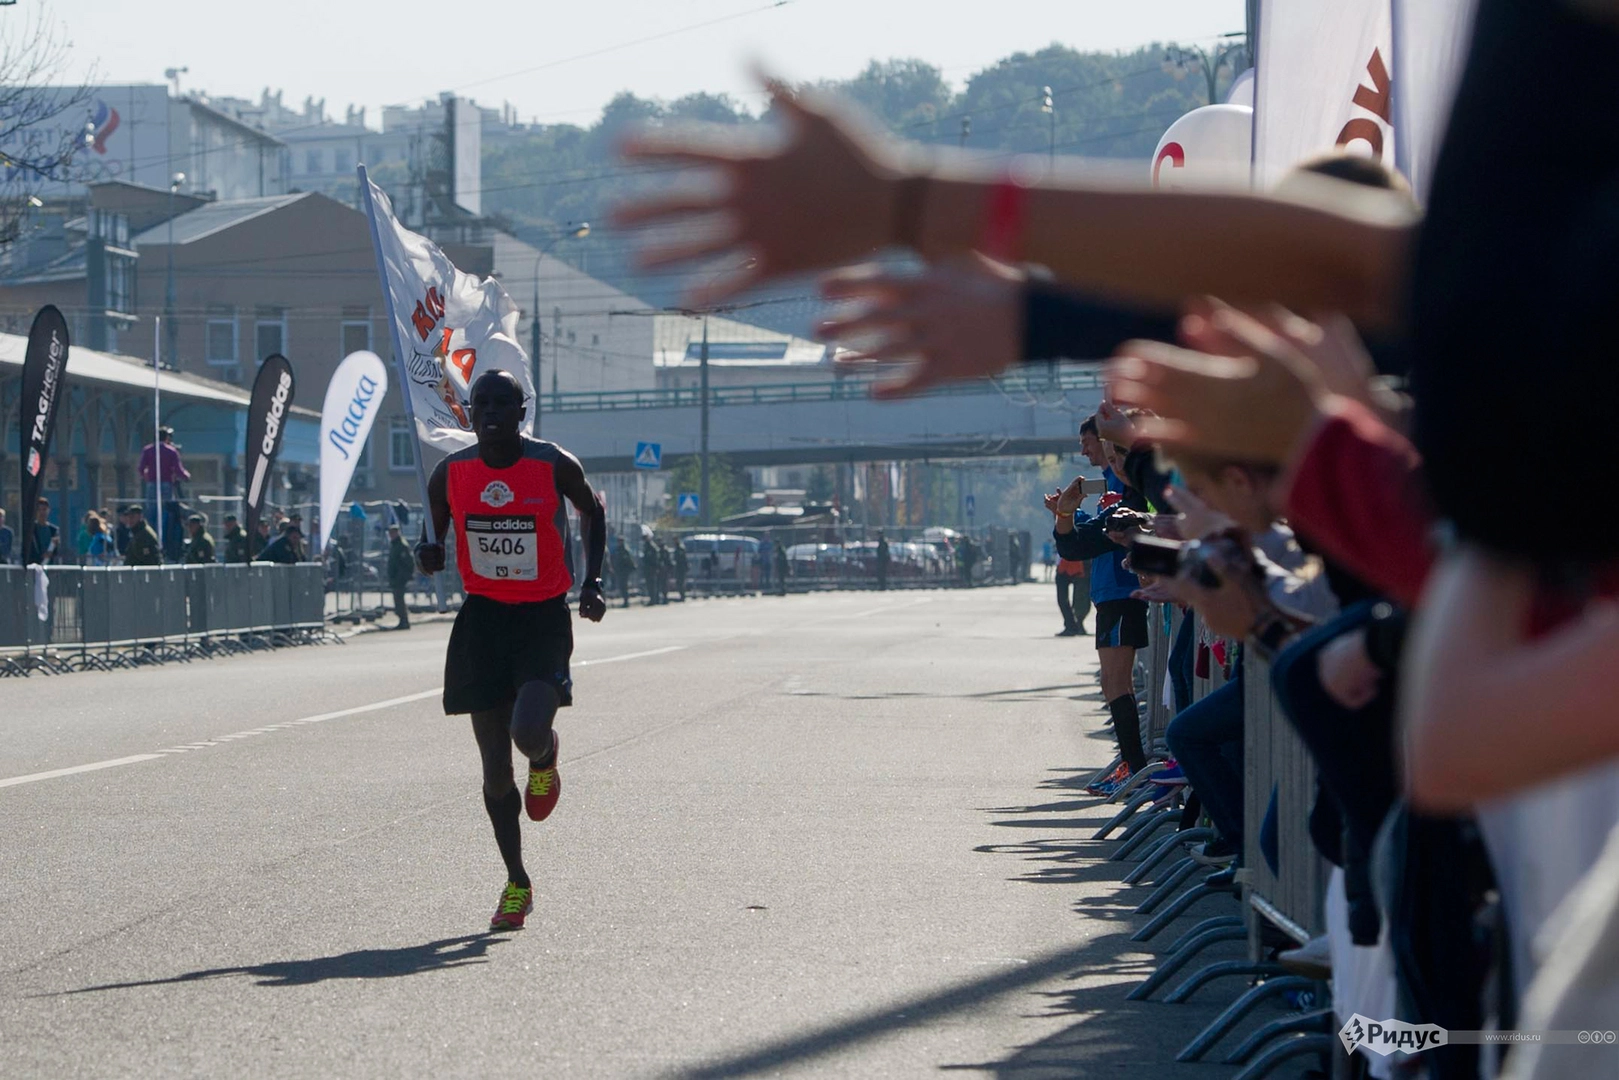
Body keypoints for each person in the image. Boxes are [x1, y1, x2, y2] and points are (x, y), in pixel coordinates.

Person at [415, 369, 607, 932]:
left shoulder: (552, 463)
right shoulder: (450, 473)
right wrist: (427, 553)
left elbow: (592, 511)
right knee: (496, 773)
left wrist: (592, 581)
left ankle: (544, 757)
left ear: (521, 412)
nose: (492, 412)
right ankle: (517, 882)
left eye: (504, 403)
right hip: (483, 621)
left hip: (542, 617)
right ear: (469, 413)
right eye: (482, 404)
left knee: (526, 732)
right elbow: (431, 540)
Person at [1048, 417, 1148, 795]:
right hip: (1109, 591)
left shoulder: (1128, 487)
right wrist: (1067, 516)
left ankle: (1134, 767)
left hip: (1124, 591)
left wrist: (1067, 518)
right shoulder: (1112, 483)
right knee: (1112, 682)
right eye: (1110, 457)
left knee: (1117, 681)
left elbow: (1088, 540)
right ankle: (1129, 764)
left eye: (1115, 455)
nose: (1112, 464)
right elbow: (1090, 535)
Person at [386, 522, 414, 630]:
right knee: (397, 599)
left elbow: (408, 562)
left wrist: (402, 575)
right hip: (395, 577)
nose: (391, 535)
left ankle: (404, 620)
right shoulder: (395, 545)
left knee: (399, 599)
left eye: (393, 533)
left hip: (400, 578)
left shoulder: (401, 545)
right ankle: (402, 620)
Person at [1054, 555, 1088, 636]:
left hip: (1067, 566)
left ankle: (1071, 625)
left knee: (1063, 599)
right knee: (1076, 598)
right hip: (1075, 566)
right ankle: (1073, 625)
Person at [29, 497, 60, 565]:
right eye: (39, 510)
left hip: (50, 566)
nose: (42, 512)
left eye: (44, 509)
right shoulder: (31, 529)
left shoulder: (53, 530)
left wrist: (51, 552)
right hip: (35, 566)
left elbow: (56, 552)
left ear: (48, 510)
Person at [610, 536, 635, 608]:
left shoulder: (625, 550)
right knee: (621, 587)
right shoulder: (617, 550)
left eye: (621, 541)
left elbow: (629, 561)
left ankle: (626, 601)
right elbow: (614, 559)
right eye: (618, 541)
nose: (619, 543)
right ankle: (625, 600)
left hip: (624, 572)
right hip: (619, 571)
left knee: (624, 587)